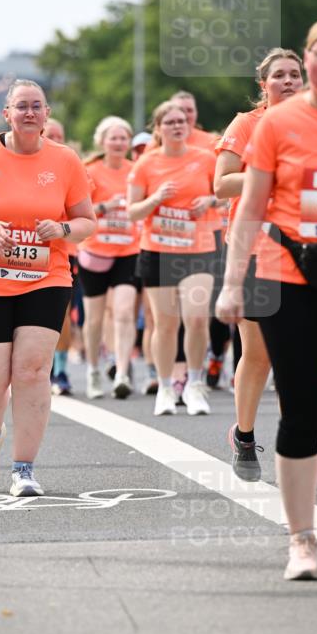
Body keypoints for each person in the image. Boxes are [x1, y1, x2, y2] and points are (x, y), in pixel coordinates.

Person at [217, 15, 317, 581]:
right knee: (299, 409)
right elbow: (248, 205)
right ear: (309, 56)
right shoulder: (273, 124)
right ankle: (301, 541)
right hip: (284, 274)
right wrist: (231, 282)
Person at [0, 79, 95, 497]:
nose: (30, 113)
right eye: (21, 106)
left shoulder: (65, 161)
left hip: (46, 278)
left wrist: (61, 228)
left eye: (37, 107)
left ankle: (24, 468)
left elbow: (86, 222)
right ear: (6, 114)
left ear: (47, 115)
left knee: (31, 371)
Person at [214, 47, 303, 480]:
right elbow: (222, 183)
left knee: (300, 354)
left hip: (308, 255)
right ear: (263, 85)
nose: (288, 81)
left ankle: (294, 445)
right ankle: (244, 436)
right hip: (253, 253)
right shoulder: (247, 124)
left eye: (295, 74)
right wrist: (269, 175)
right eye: (279, 76)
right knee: (261, 354)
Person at [128, 101, 218, 416]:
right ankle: (165, 387)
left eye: (182, 121)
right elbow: (132, 211)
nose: (178, 126)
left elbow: (226, 196)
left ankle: (194, 384)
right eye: (170, 122)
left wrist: (210, 200)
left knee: (196, 318)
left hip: (199, 249)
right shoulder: (146, 163)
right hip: (158, 250)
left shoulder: (207, 159)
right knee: (166, 324)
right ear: (159, 128)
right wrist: (155, 199)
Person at [79, 116, 139, 399]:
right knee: (94, 318)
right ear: (101, 141)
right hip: (95, 251)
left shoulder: (136, 170)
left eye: (123, 138)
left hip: (129, 249)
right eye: (112, 138)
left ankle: (123, 372)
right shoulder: (89, 170)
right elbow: (77, 209)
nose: (118, 143)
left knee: (125, 312)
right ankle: (92, 370)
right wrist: (105, 207)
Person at [43, 117, 77, 396]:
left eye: (58, 134)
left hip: (66, 252)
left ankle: (61, 369)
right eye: (48, 134)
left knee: (62, 316)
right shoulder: (25, 163)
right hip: (28, 251)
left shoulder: (72, 166)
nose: (53, 138)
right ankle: (41, 368)